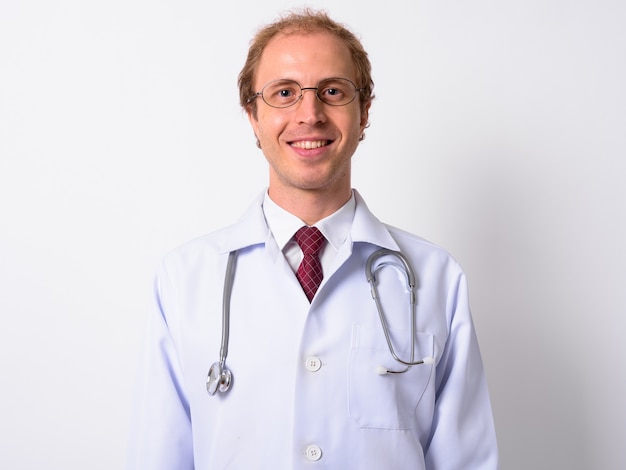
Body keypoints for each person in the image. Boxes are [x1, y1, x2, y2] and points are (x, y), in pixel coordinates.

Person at [127, 9, 499, 469]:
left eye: (333, 92)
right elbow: (158, 457)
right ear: (253, 115)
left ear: (363, 113)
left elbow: (467, 461)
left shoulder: (436, 277)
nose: (310, 114)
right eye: (284, 93)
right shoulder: (184, 279)